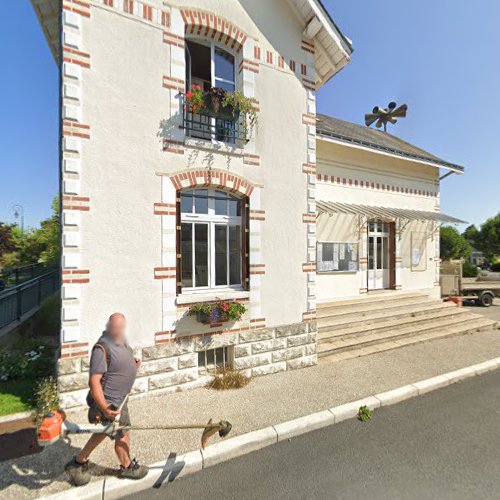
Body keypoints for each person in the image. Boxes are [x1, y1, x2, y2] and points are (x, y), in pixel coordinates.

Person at [65, 313, 148, 486]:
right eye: (116, 327)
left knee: (106, 431)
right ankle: (127, 467)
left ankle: (79, 461)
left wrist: (133, 364)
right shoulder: (101, 349)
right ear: (109, 326)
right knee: (121, 432)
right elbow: (94, 381)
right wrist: (104, 407)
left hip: (121, 399)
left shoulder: (121, 341)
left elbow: (121, 362)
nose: (119, 331)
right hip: (110, 402)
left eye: (121, 327)